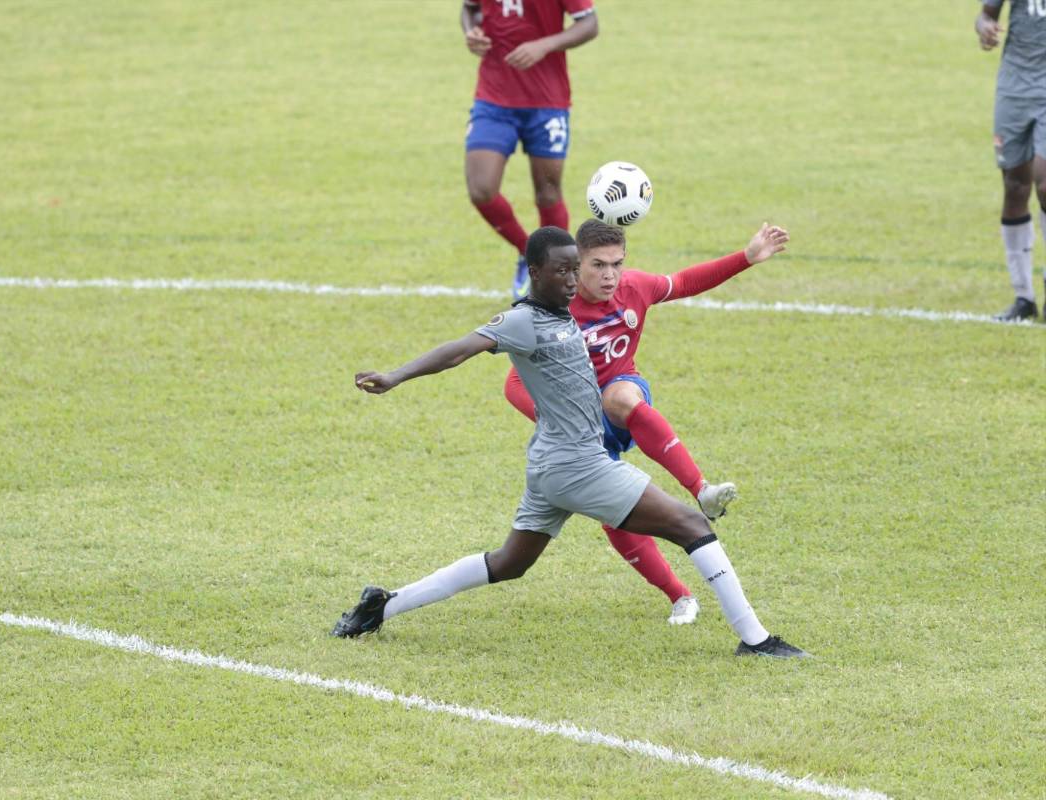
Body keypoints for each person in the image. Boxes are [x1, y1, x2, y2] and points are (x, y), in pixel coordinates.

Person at [332, 226, 808, 659]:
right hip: (577, 464)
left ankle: (383, 606)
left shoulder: (567, 310)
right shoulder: (523, 320)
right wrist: (395, 376)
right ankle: (757, 639)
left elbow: (673, 283)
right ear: (535, 273)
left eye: (573, 269)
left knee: (509, 563)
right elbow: (460, 350)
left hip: (553, 464)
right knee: (689, 523)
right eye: (563, 270)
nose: (569, 279)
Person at [502, 219, 788, 625]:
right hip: (581, 429)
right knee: (614, 515)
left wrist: (746, 257)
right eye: (598, 265)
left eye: (617, 264)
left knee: (620, 396)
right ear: (574, 265)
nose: (609, 275)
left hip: (623, 395)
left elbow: (685, 282)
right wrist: (558, 418)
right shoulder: (553, 312)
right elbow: (513, 384)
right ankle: (680, 595)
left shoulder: (634, 287)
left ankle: (701, 489)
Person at [460, 0, 599, 298]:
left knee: (547, 192)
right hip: (493, 98)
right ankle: (531, 255)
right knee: (481, 189)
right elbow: (470, 8)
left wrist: (544, 45)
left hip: (547, 102)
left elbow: (589, 24)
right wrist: (471, 32)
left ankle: (558, 281)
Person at [976, 1, 1046, 321]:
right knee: (1015, 186)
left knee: (1045, 184)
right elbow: (986, 14)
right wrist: (985, 29)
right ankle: (1023, 298)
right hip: (1015, 88)